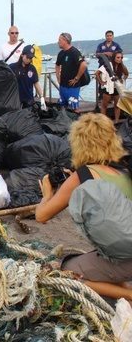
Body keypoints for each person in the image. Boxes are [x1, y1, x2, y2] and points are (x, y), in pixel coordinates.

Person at [36, 113, 132, 301]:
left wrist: (47, 194)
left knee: (66, 272)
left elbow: (41, 216)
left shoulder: (82, 175)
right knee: (109, 255)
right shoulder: (125, 170)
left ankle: (129, 295)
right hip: (125, 253)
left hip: (124, 260)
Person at [55, 33, 87, 112]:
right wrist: (58, 76)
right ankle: (63, 122)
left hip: (73, 86)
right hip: (63, 85)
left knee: (74, 106)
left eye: (59, 40)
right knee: (62, 105)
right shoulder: (61, 53)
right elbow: (57, 65)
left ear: (65, 40)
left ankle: (76, 122)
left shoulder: (74, 52)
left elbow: (83, 65)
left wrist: (77, 78)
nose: (58, 42)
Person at [96, 51, 129, 122]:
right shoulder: (108, 65)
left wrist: (123, 79)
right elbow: (97, 73)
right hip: (108, 88)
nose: (120, 59)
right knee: (104, 106)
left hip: (117, 88)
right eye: (118, 57)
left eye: (121, 57)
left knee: (117, 106)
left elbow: (126, 74)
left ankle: (116, 121)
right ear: (114, 57)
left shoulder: (122, 66)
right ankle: (103, 122)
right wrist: (101, 82)